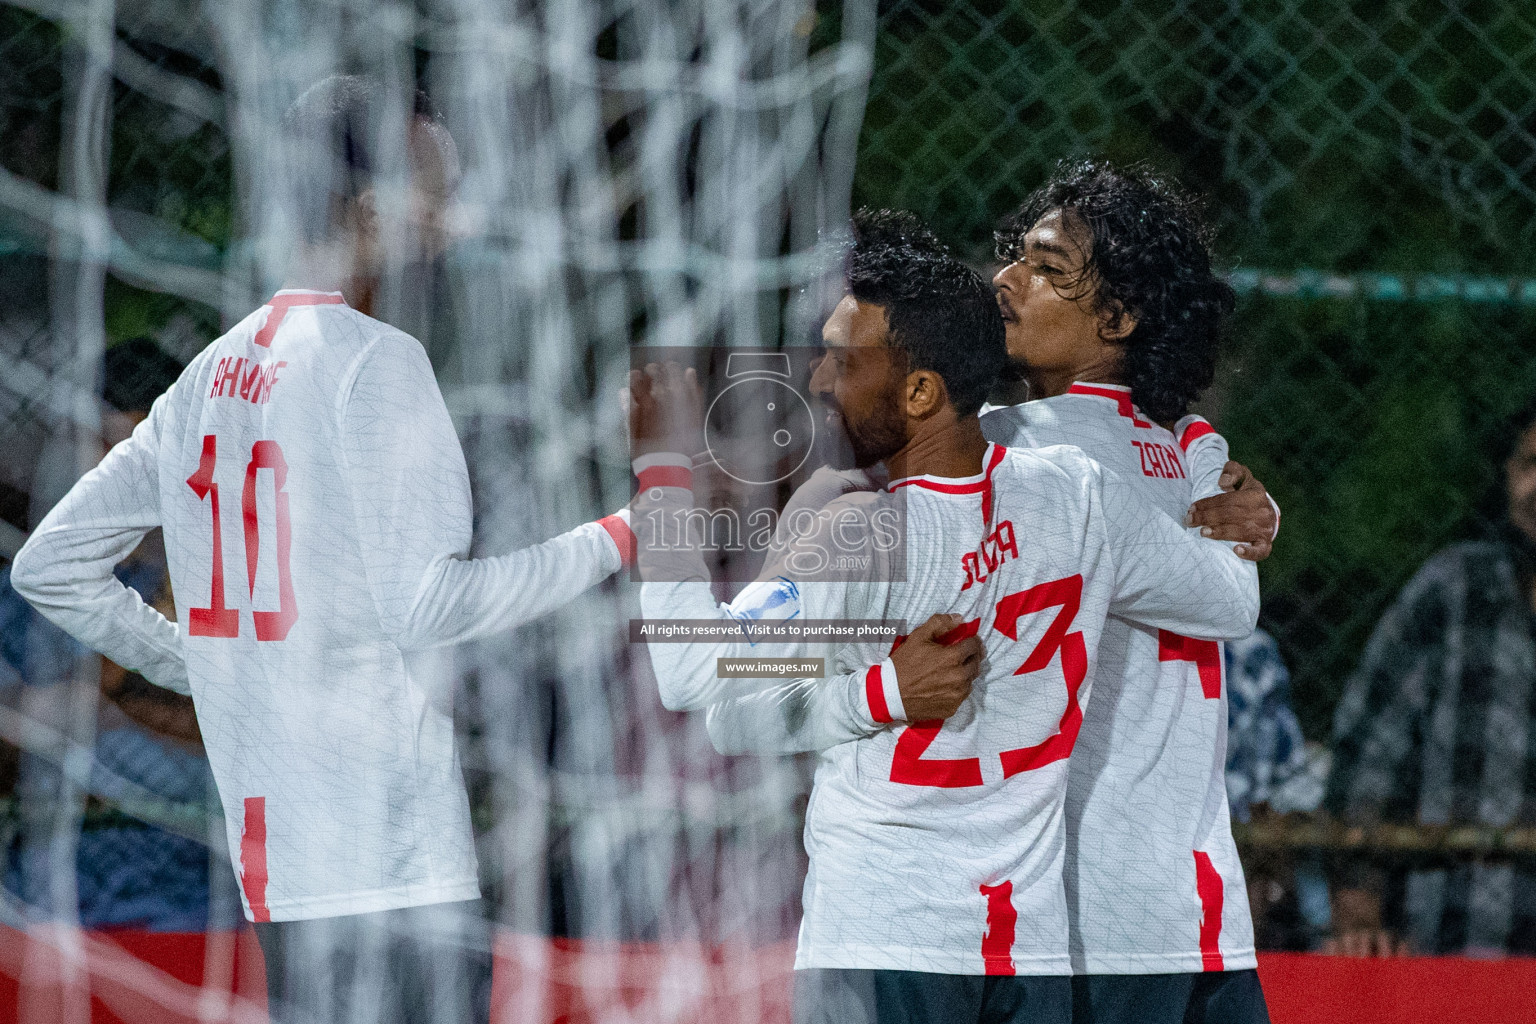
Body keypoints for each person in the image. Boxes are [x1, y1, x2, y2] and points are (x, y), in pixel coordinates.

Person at [11, 76, 633, 1024]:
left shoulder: (203, 375)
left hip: (280, 865)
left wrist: (199, 663)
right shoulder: (376, 359)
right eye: (438, 185)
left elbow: (48, 565)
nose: (455, 219)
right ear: (373, 206)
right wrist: (621, 535)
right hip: (390, 863)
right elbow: (429, 608)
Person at [630, 209, 1261, 1024]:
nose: (819, 379)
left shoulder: (852, 525)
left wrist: (661, 475)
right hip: (1027, 945)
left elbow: (698, 686)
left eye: (841, 360)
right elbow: (1229, 597)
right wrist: (1215, 462)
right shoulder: (1077, 493)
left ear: (923, 390)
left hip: (885, 936)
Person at [982, 160, 1274, 1023]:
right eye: (1016, 258)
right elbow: (1228, 557)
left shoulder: (1004, 453)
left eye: (1044, 268)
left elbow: (1229, 595)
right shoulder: (1190, 448)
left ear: (1118, 316)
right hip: (1196, 908)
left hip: (1082, 920)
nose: (1007, 281)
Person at [1324, 398, 1536, 957]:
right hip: (1451, 943)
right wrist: (1358, 909)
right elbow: (1370, 757)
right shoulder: (1455, 590)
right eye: (1528, 465)